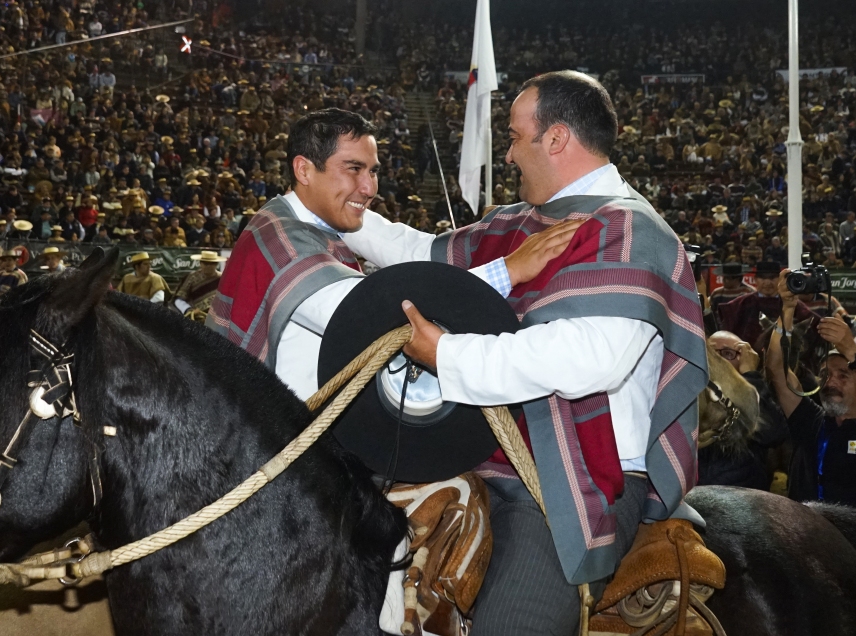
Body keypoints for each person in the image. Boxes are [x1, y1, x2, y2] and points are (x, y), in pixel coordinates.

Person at [340, 72, 708, 633]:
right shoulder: (519, 223)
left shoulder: (632, 230)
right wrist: (330, 205)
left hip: (570, 478)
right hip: (484, 455)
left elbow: (588, 359)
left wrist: (446, 354)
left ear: (556, 139)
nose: (508, 154)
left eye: (515, 138)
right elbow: (422, 253)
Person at [207, 108, 551, 400]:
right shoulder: (281, 239)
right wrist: (507, 271)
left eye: (372, 171)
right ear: (304, 170)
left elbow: (410, 248)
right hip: (284, 449)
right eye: (353, 169)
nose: (370, 188)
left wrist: (507, 224)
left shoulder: (321, 210)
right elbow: (369, 313)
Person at [765, 270, 856, 513]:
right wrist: (787, 309)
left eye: (844, 375)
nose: (831, 381)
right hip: (806, 543)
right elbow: (776, 370)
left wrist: (851, 349)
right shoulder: (810, 420)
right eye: (826, 374)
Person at [701, 331, 789, 489]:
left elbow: (773, 433)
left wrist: (750, 376)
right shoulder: (690, 391)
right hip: (693, 501)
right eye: (712, 354)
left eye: (728, 353)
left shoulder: (755, 391)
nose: (719, 361)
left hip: (740, 502)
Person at [718, 261, 819, 348]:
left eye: (772, 278)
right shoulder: (742, 303)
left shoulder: (790, 303)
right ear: (755, 279)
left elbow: (815, 324)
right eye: (762, 278)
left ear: (780, 279)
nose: (767, 282)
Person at [174, 250, 225, 314]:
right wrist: (188, 310)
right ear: (200, 263)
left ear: (216, 264)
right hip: (197, 315)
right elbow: (179, 299)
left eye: (212, 263)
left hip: (219, 315)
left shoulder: (223, 278)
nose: (208, 266)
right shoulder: (192, 277)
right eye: (205, 263)